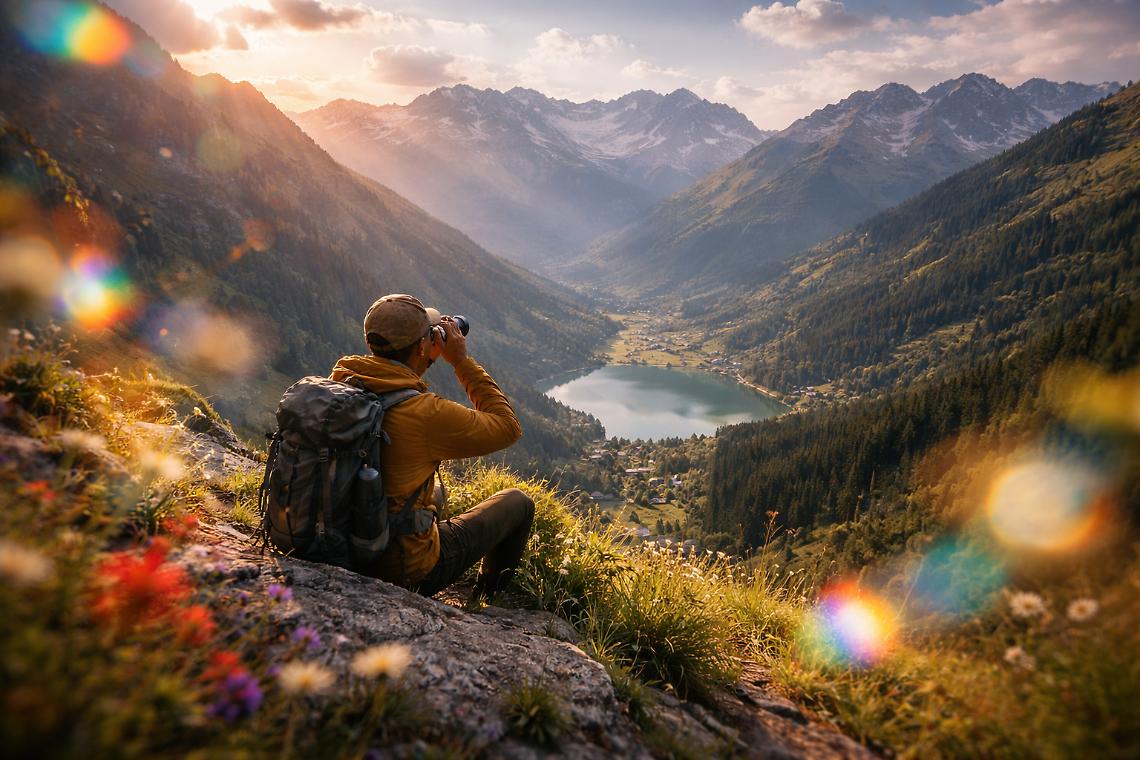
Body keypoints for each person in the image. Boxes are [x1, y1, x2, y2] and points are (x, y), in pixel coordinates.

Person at [329, 294, 534, 604]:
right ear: (421, 346)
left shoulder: (341, 383)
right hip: (404, 570)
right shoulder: (425, 414)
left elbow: (394, 383)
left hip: (336, 541)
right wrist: (460, 361)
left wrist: (421, 356)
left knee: (435, 491)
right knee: (518, 503)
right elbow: (507, 426)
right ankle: (487, 603)